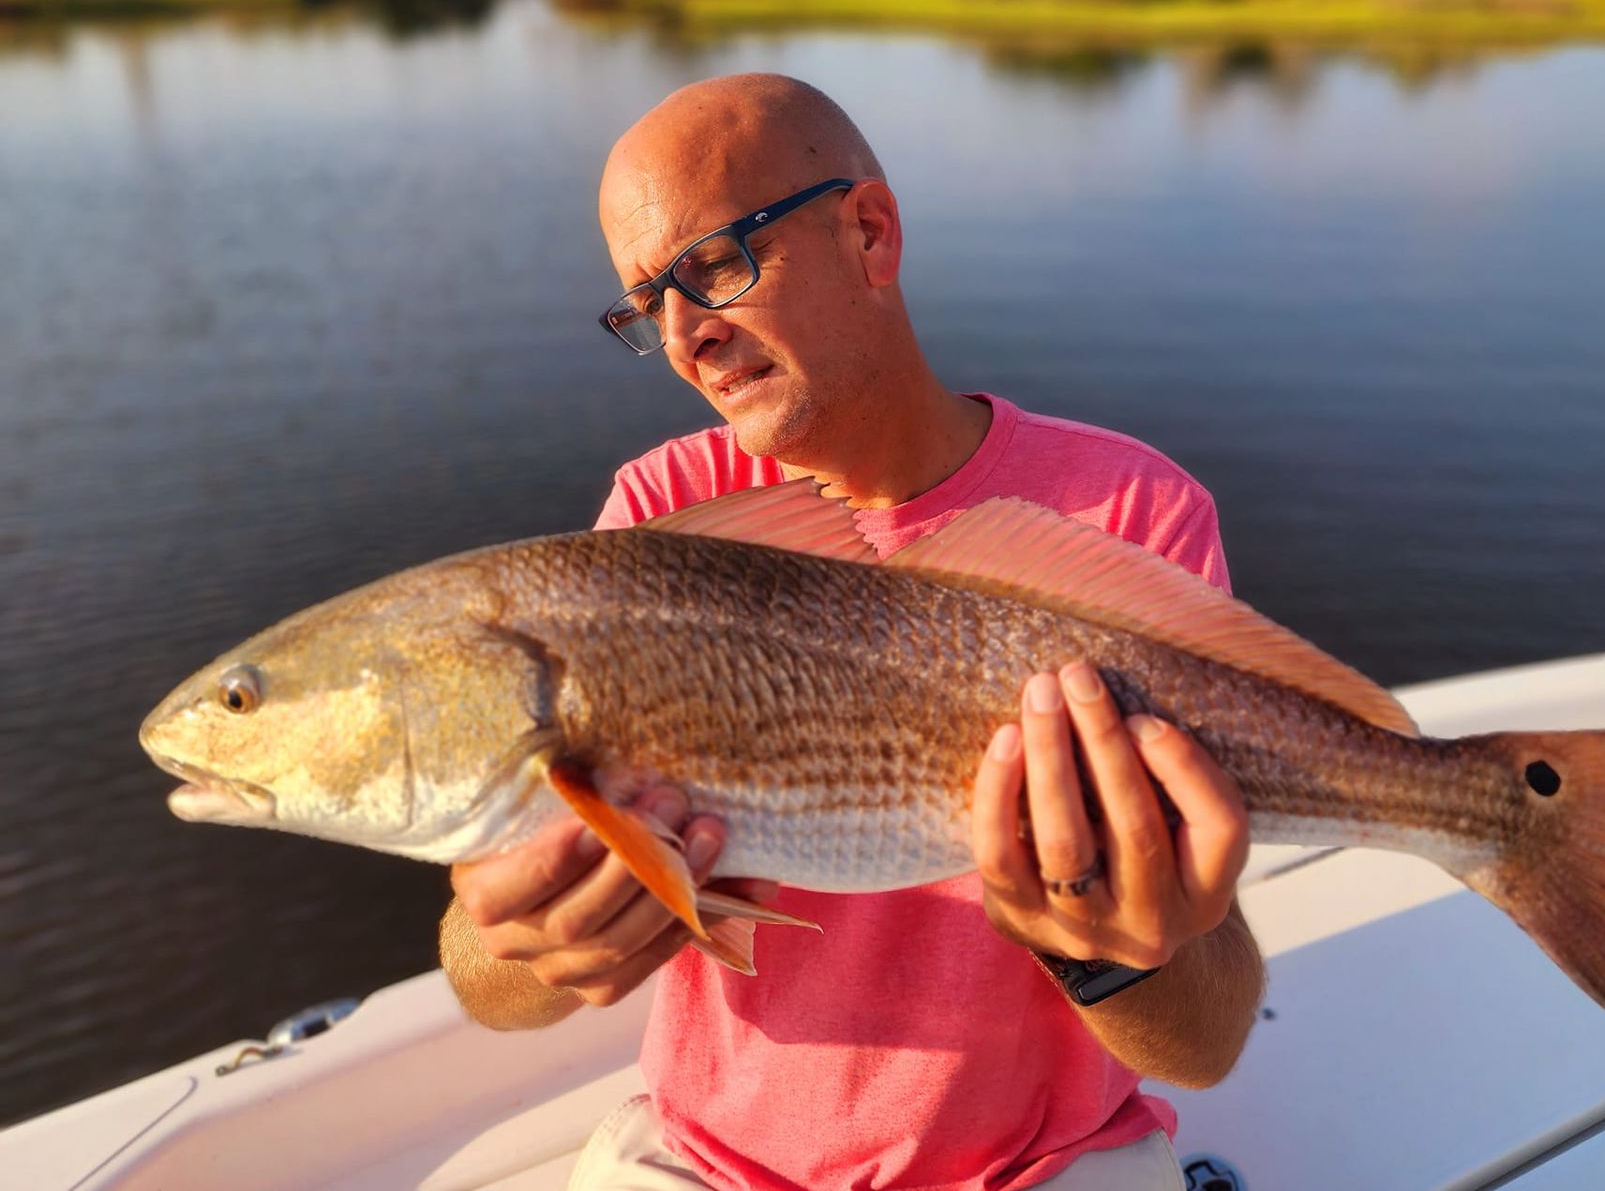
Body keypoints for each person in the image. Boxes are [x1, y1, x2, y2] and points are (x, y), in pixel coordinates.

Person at [438, 74, 1265, 1191]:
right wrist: (524, 941)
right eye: (647, 305)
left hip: (1040, 1167)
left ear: (870, 233)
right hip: (707, 1164)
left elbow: (1203, 1043)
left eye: (714, 268)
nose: (688, 338)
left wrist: (1101, 950)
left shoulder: (1126, 516)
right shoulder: (659, 516)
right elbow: (484, 981)